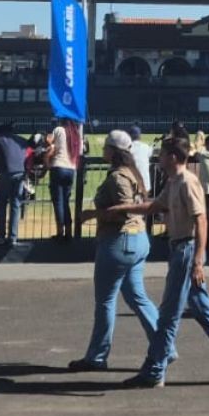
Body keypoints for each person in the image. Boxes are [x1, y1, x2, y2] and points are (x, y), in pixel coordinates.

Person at [114, 137, 209, 389]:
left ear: (173, 157)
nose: (159, 158)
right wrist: (123, 208)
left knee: (168, 315)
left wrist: (198, 261)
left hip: (186, 251)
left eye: (163, 154)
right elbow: (156, 205)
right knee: (201, 309)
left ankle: (155, 369)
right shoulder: (173, 181)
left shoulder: (188, 182)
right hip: (179, 249)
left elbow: (201, 221)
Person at [69, 130, 162, 372]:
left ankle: (97, 356)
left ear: (113, 151)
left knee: (106, 301)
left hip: (120, 241)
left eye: (106, 147)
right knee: (137, 297)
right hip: (138, 240)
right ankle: (164, 346)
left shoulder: (118, 177)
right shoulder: (134, 173)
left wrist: (92, 214)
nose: (102, 151)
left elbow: (124, 210)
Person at [0, 124, 29, 244]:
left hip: (5, 173)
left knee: (1, 203)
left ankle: (1, 235)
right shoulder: (22, 139)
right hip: (20, 173)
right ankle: (13, 237)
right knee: (15, 205)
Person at [45, 119, 78, 241]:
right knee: (65, 202)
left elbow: (50, 143)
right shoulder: (75, 134)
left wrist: (47, 141)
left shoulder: (59, 130)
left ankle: (60, 232)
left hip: (58, 167)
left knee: (58, 202)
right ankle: (68, 233)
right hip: (71, 169)